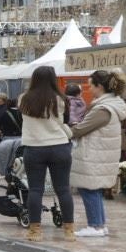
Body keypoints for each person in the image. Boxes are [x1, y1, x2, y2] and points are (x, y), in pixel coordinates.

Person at [70, 69, 126, 238]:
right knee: (93, 189)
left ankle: (95, 225)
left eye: (91, 86)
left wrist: (66, 129)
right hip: (100, 154)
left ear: (100, 87)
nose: (89, 89)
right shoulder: (113, 105)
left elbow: (81, 129)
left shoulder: (103, 109)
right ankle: (99, 225)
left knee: (89, 189)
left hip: (94, 154)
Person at [19, 65, 76, 242]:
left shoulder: (23, 99)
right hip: (59, 146)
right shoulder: (61, 99)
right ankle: (69, 231)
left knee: (35, 190)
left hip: (34, 148)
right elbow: (65, 121)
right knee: (63, 190)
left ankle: (35, 231)